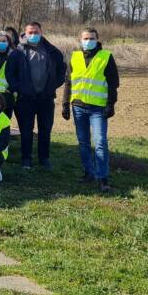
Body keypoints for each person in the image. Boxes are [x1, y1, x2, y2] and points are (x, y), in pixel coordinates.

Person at [61, 27, 119, 192]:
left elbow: (113, 83)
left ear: (97, 39)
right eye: (85, 38)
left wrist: (111, 104)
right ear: (80, 40)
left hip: (98, 108)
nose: (88, 41)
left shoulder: (106, 57)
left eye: (92, 38)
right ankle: (89, 173)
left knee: (100, 142)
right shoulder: (75, 56)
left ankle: (103, 178)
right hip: (78, 107)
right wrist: (65, 104)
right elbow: (68, 82)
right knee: (84, 143)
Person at [6, 21, 66, 169]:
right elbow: (9, 73)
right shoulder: (17, 52)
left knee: (45, 130)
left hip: (46, 98)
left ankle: (44, 158)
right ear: (25, 34)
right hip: (25, 99)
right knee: (26, 130)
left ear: (41, 32)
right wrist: (18, 89)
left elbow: (62, 71)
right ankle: (26, 159)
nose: (33, 35)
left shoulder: (53, 51)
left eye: (36, 32)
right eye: (30, 33)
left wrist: (52, 86)